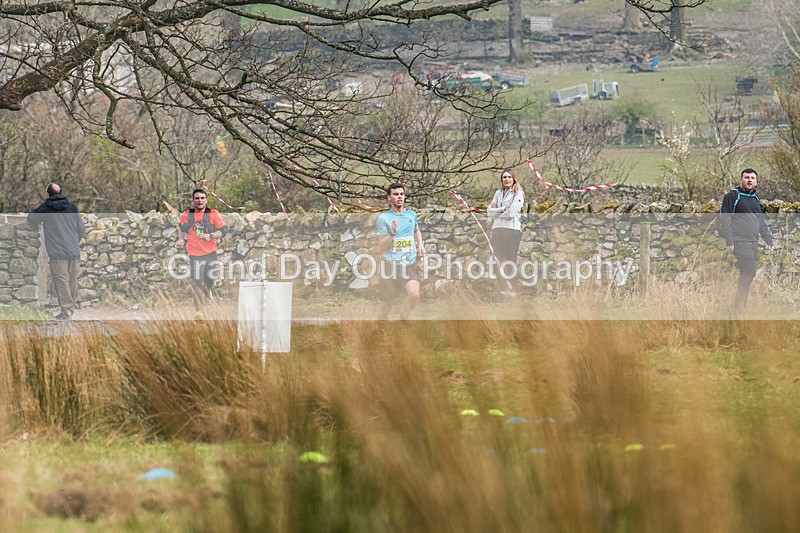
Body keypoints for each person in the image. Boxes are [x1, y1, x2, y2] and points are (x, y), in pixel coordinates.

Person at [719, 168, 774, 314]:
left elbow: (761, 222)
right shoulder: (732, 196)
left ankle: (739, 307)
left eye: (752, 178)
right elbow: (725, 218)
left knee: (747, 272)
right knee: (750, 271)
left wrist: (768, 239)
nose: (750, 180)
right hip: (739, 242)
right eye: (746, 177)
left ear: (756, 181)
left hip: (753, 243)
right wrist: (729, 241)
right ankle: (739, 306)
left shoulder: (755, 199)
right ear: (741, 180)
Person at [27, 183, 85, 320]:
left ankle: (66, 312)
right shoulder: (71, 207)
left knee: (62, 282)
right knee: (72, 281)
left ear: (48, 194)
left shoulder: (47, 207)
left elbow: (32, 218)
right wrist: (73, 242)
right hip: (73, 251)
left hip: (58, 252)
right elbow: (81, 228)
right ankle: (70, 309)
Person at [375, 183, 426, 320]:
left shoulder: (411, 215)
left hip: (408, 265)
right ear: (389, 197)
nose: (399, 197)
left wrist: (420, 244)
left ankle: (404, 318)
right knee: (387, 305)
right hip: (390, 266)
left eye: (401, 194)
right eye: (396, 194)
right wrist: (391, 234)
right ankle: (377, 331)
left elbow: (416, 230)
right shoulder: (383, 219)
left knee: (414, 294)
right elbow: (381, 246)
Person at [176, 189, 226, 316]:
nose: (199, 200)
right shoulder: (186, 215)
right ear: (193, 200)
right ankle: (199, 311)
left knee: (209, 281)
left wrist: (210, 235)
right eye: (197, 198)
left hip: (210, 253)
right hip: (194, 254)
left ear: (206, 200)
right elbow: (182, 229)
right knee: (196, 281)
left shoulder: (213, 214)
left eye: (202, 198)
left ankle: (203, 298)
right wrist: (181, 240)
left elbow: (223, 232)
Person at [487, 167, 525, 297]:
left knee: (509, 260)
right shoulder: (498, 193)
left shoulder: (518, 193)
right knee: (498, 260)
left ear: (513, 178)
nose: (507, 179)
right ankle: (503, 289)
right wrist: (503, 209)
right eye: (504, 177)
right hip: (497, 230)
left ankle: (512, 289)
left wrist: (497, 211)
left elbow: (511, 214)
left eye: (509, 177)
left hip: (512, 231)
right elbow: (488, 212)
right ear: (501, 180)